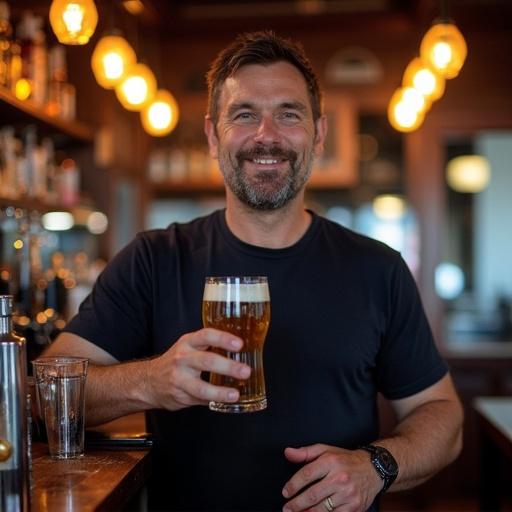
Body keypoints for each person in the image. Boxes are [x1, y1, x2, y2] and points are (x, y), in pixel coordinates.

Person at [43, 31, 463, 512]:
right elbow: (47, 391)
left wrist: (377, 466)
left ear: (319, 134)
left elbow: (443, 415)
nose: (267, 134)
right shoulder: (153, 259)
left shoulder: (378, 268)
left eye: (289, 114)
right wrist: (150, 381)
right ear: (211, 135)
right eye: (244, 115)